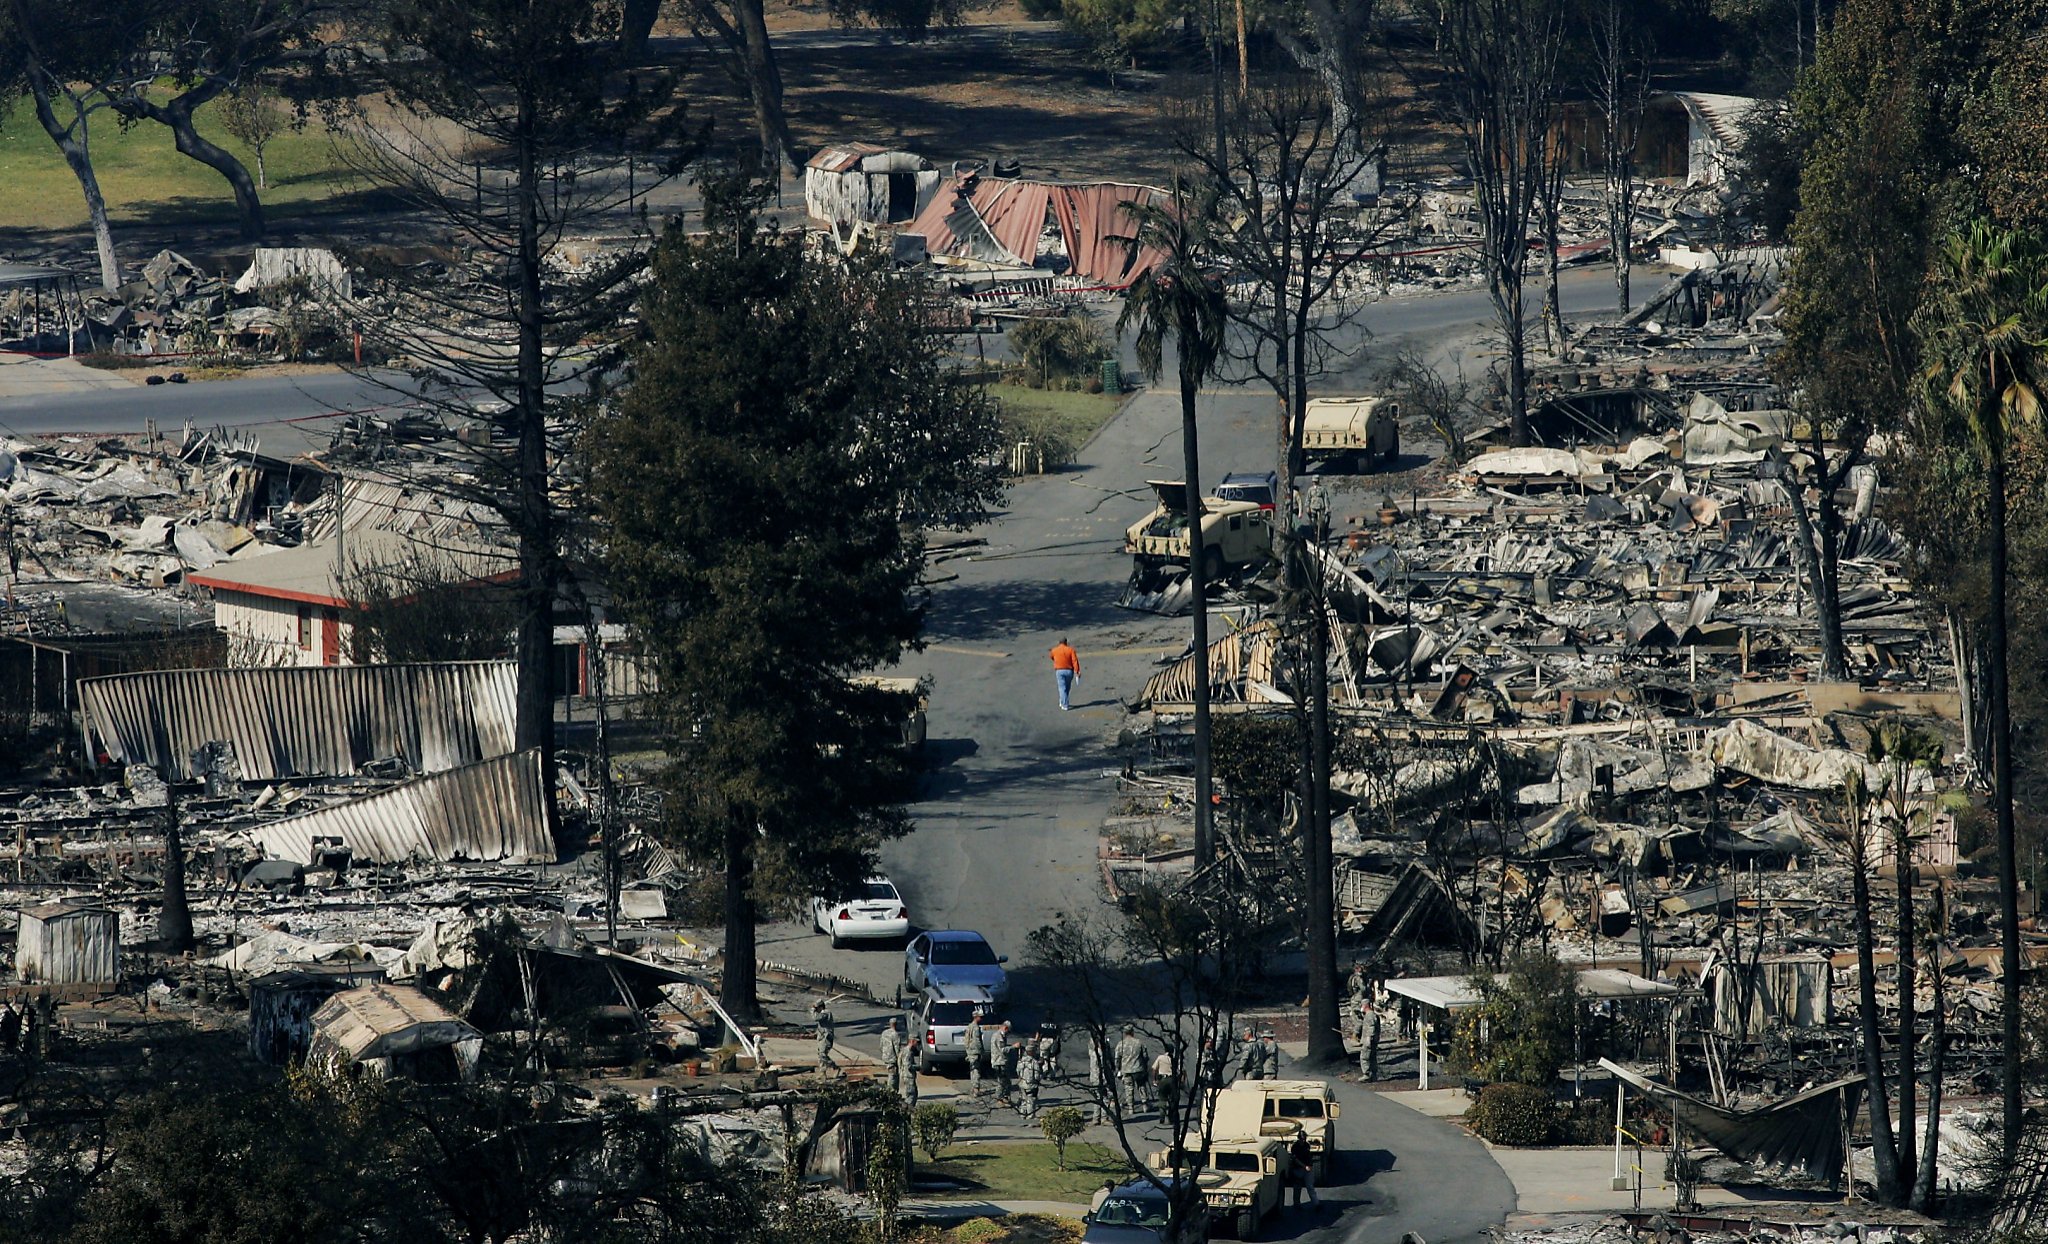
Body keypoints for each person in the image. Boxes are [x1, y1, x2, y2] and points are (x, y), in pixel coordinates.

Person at [1113, 1024, 1148, 1116]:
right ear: (1132, 1032)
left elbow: (1117, 1058)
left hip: (1126, 1070)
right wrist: (1144, 1065)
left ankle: (1131, 1108)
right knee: (1141, 1086)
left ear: (1124, 1033)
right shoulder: (1139, 1043)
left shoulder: (1121, 1044)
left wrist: (1117, 1069)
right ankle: (1145, 1105)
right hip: (1138, 1069)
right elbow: (1145, 1056)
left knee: (1129, 1088)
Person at [1289, 1130, 1320, 1208]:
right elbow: (1295, 1159)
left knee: (1310, 1187)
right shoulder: (1295, 1147)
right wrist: (1304, 1166)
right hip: (1298, 1169)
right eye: (1302, 1139)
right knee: (1297, 1188)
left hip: (1308, 1168)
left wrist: (1309, 1165)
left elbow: (1308, 1156)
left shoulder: (1306, 1145)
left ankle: (1316, 1204)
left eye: (1304, 1138)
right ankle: (1296, 1204)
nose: (1303, 1140)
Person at [1049, 638, 1081, 711]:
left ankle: (1064, 704)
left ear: (1059, 642)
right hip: (1069, 671)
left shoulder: (1054, 650)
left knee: (1062, 687)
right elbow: (1074, 661)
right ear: (1066, 642)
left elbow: (1051, 657)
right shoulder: (1070, 650)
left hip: (1059, 671)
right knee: (1067, 687)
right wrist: (1077, 671)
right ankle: (1063, 700)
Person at [963, 1010, 986, 1100]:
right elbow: (972, 1041)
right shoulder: (973, 1027)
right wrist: (979, 1051)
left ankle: (974, 1087)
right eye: (980, 1016)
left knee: (974, 1070)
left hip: (974, 1052)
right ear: (976, 1017)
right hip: (974, 1052)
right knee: (976, 1070)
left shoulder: (973, 1027)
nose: (981, 1018)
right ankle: (976, 1088)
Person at [1017, 1036, 1042, 1117]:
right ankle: (1030, 1116)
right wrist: (1038, 1081)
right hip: (1031, 1085)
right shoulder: (1034, 1062)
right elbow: (1037, 1075)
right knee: (1030, 1101)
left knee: (1023, 1101)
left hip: (1022, 1084)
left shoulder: (1021, 1061)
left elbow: (1017, 1071)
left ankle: (1022, 1115)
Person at [1152, 1047, 1179, 1121]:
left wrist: (1154, 1080)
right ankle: (1171, 1116)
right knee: (1173, 1099)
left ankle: (1162, 1115)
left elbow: (1154, 1069)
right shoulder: (1175, 1059)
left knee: (1162, 1098)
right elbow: (1182, 1071)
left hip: (1163, 1079)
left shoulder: (1160, 1058)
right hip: (1173, 1080)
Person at [994, 1021, 1018, 1103]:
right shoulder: (998, 1036)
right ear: (1005, 1028)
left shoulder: (1002, 1035)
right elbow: (1002, 1050)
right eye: (1008, 1030)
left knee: (1007, 1081)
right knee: (1002, 1081)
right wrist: (1013, 1047)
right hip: (999, 1062)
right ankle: (999, 1098)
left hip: (1002, 1061)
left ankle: (1005, 1097)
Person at [879, 1017, 903, 1095]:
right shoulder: (895, 1034)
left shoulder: (884, 1033)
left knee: (891, 1074)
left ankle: (892, 1091)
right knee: (893, 1075)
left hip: (885, 1056)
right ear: (896, 1024)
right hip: (892, 1058)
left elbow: (881, 1045)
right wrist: (900, 1059)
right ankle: (890, 1091)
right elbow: (897, 1048)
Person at [812, 1000, 837, 1075]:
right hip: (821, 1037)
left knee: (822, 1054)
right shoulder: (821, 1013)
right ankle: (823, 1073)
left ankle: (834, 1067)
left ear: (821, 1007)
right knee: (820, 1055)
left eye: (817, 1008)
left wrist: (812, 1010)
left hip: (826, 1037)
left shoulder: (826, 1012)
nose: (816, 1010)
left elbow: (816, 1018)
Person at [897, 1037, 920, 1107]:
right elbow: (908, 1065)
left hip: (905, 1075)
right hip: (908, 1076)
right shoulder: (908, 1052)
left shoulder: (904, 1050)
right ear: (912, 1041)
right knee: (911, 1096)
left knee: (914, 1093)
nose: (917, 1044)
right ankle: (908, 1110)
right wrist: (918, 1067)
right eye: (917, 1042)